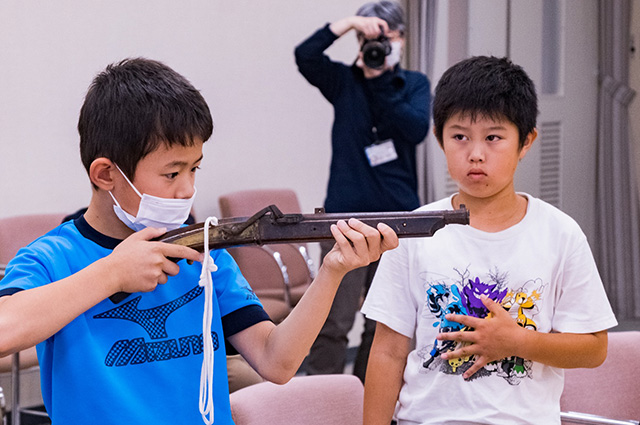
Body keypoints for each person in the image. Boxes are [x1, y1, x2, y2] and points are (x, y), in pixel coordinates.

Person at [0, 57, 399, 425]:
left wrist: (331, 273)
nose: (188, 189)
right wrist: (112, 274)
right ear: (106, 174)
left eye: (195, 169)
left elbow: (278, 362)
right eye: (172, 174)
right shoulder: (52, 258)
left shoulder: (203, 253)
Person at [361, 55, 619, 425]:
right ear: (439, 138)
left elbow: (594, 349)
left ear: (526, 141)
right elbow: (387, 351)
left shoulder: (559, 233)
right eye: (460, 137)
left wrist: (518, 342)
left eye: (494, 138)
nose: (476, 154)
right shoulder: (416, 230)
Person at [294, 0, 431, 382]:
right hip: (343, 220)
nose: (381, 43)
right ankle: (322, 405)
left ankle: (369, 399)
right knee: (333, 321)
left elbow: (415, 129)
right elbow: (304, 55)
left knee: (383, 323)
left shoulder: (413, 84)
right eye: (370, 36)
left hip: (398, 221)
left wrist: (381, 80)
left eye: (390, 36)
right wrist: (348, 22)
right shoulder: (343, 82)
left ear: (402, 38)